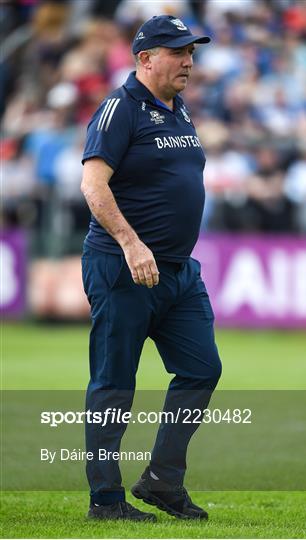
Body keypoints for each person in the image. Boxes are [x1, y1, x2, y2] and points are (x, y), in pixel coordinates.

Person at [80, 15, 222, 522]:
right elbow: (94, 187)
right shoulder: (120, 109)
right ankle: (106, 500)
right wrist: (132, 243)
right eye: (178, 52)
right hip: (124, 268)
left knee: (203, 368)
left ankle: (162, 480)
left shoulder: (178, 109)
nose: (189, 61)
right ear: (145, 58)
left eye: (192, 52)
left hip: (179, 274)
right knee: (114, 383)